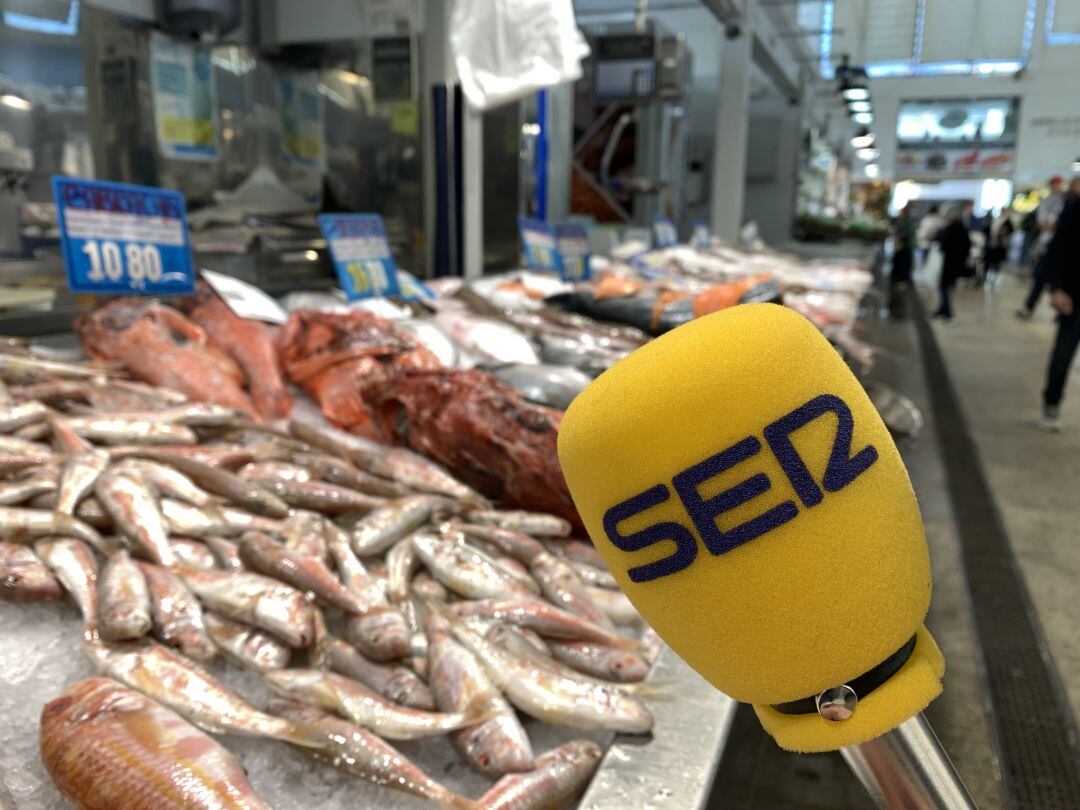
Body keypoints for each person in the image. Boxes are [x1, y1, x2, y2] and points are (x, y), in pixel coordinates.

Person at [1039, 184, 1080, 430]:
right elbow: (1057, 250)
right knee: (1062, 356)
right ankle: (1051, 403)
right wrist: (1056, 288)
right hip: (1074, 299)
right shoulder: (1075, 210)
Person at [1017, 176, 1068, 318]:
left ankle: (1059, 311)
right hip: (1046, 247)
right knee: (1040, 278)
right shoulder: (1046, 202)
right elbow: (1042, 224)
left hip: (1061, 249)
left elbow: (1060, 226)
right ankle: (1029, 307)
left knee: (1058, 280)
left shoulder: (1066, 202)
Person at [931, 206, 971, 321]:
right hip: (955, 262)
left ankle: (947, 312)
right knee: (945, 287)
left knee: (944, 287)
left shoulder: (951, 228)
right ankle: (942, 309)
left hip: (949, 263)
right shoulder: (962, 228)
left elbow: (943, 243)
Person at [889, 204, 916, 317]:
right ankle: (899, 276)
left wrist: (899, 236)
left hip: (905, 247)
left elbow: (907, 233)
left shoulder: (908, 221)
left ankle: (903, 278)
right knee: (899, 262)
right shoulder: (901, 220)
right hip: (899, 246)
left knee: (903, 263)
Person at [984, 210, 1014, 284]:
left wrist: (1004, 232)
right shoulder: (996, 219)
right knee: (987, 261)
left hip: (1000, 246)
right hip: (991, 244)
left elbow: (1010, 231)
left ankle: (993, 278)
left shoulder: (1008, 221)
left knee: (996, 263)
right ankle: (984, 277)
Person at [916, 204, 943, 270]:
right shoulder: (936, 219)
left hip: (926, 242)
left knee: (926, 260)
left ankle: (924, 271)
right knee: (928, 261)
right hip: (929, 242)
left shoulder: (926, 218)